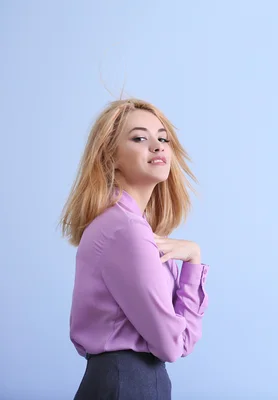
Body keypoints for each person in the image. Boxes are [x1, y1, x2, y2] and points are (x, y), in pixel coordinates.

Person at [60, 98, 209, 399]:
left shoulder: (117, 225)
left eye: (163, 138)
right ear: (110, 157)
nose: (158, 146)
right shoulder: (125, 230)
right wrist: (193, 262)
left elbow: (179, 340)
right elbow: (172, 345)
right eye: (140, 138)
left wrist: (192, 256)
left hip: (116, 381)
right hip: (131, 383)